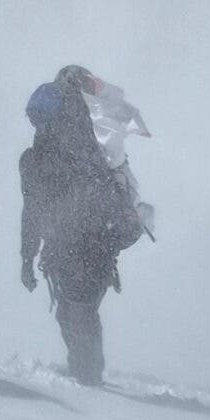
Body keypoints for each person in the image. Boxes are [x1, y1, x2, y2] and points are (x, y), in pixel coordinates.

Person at [18, 65, 151, 384]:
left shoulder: (41, 159)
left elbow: (33, 210)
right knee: (75, 312)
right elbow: (36, 209)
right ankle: (87, 375)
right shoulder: (89, 148)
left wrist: (28, 256)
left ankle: (88, 380)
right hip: (95, 245)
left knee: (76, 312)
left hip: (80, 248)